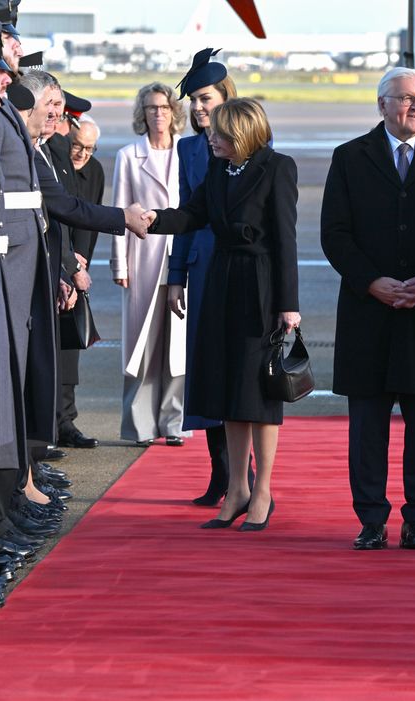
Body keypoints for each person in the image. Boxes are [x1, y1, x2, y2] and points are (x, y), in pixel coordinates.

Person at [320, 67, 415, 551]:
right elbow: (335, 233)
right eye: (406, 99)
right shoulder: (349, 158)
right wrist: (371, 282)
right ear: (382, 104)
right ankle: (371, 519)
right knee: (368, 424)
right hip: (370, 310)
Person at [145, 97, 300, 531]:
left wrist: (289, 304)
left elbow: (286, 238)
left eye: (219, 132)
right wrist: (151, 219)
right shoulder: (218, 168)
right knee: (228, 388)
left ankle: (263, 490)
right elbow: (193, 214)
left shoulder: (277, 167)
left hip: (261, 287)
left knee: (259, 392)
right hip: (221, 282)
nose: (210, 137)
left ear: (243, 132)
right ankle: (237, 488)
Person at [167, 47, 249, 506]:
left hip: (239, 271)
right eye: (194, 101)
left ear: (226, 98)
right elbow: (186, 216)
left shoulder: (255, 141)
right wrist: (176, 274)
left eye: (206, 99)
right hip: (201, 272)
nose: (198, 108)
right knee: (206, 371)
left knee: (238, 372)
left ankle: (245, 476)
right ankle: (220, 474)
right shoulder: (188, 148)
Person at [111, 82, 189, 446]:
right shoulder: (129, 155)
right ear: (142, 114)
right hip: (143, 258)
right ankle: (140, 425)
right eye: (151, 108)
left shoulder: (187, 153)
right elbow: (119, 211)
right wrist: (119, 265)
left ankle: (174, 422)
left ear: (174, 113)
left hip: (182, 256)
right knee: (142, 344)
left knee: (179, 346)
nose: (158, 114)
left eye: (164, 107)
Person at [56, 111, 104, 449]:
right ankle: (49, 425)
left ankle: (66, 423)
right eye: (77, 146)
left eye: (89, 149)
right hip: (57, 264)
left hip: (77, 267)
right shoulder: (56, 165)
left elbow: (91, 221)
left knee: (71, 349)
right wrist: (68, 267)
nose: (81, 154)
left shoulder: (93, 171)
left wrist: (81, 267)